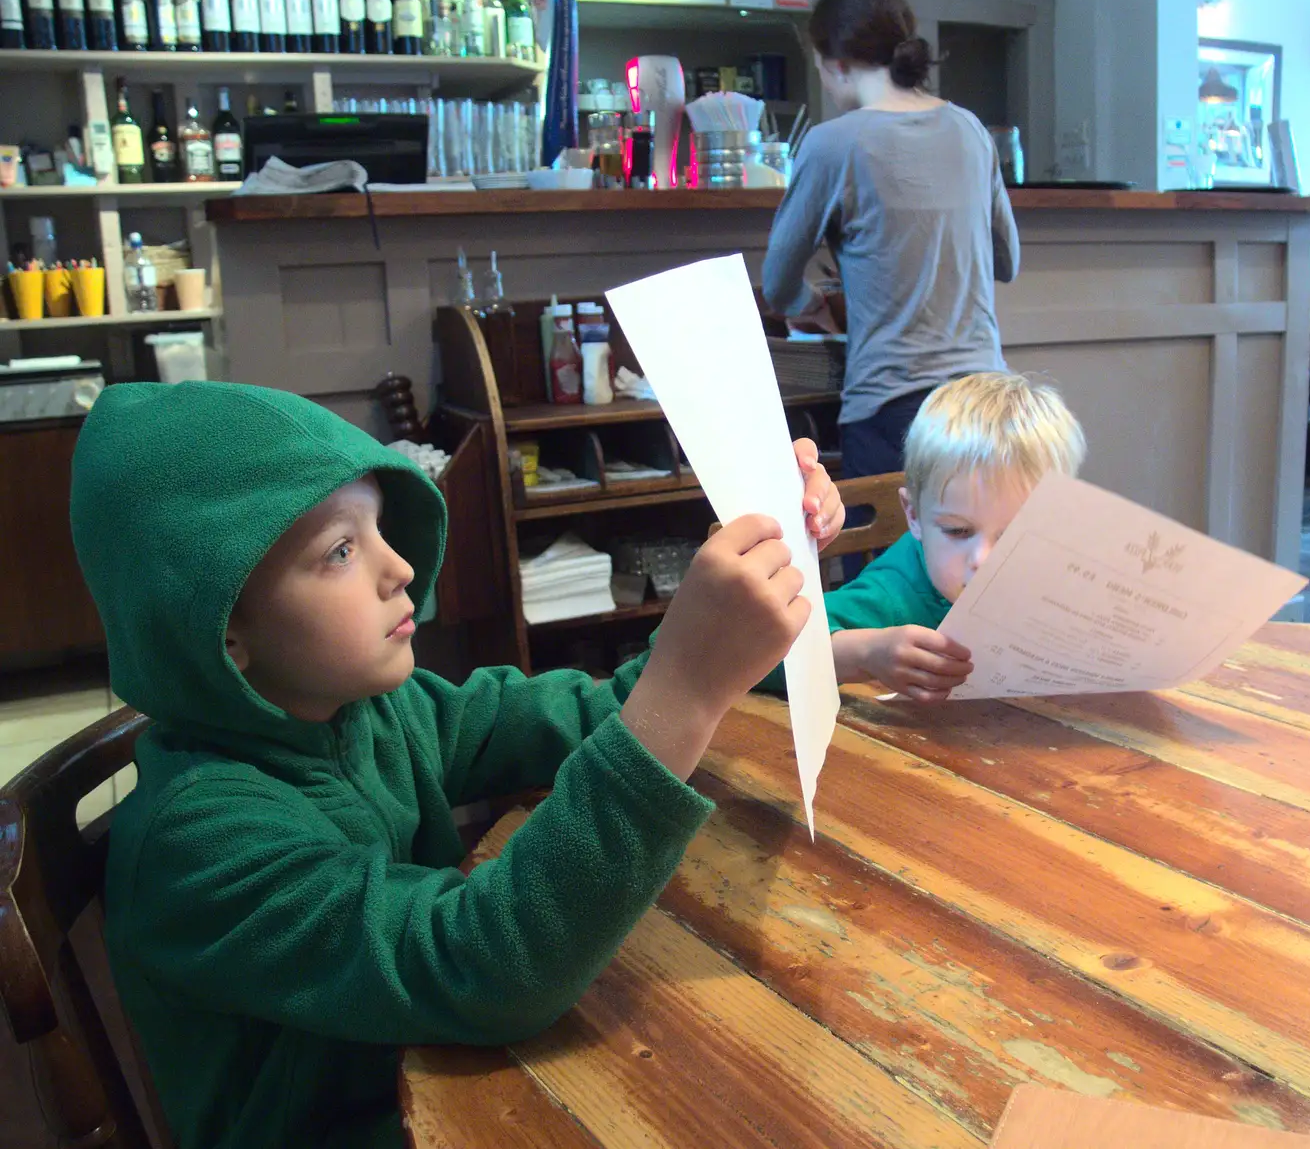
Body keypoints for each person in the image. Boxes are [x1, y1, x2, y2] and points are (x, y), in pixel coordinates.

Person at [69, 380, 844, 1149]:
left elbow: (590, 712)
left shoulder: (365, 710)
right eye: (339, 550)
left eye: (378, 525)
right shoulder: (196, 841)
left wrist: (745, 576)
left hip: (447, 1074)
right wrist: (684, 685)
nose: (399, 565)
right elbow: (482, 962)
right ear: (222, 629)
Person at [761, 0, 1021, 482]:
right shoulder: (970, 129)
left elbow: (777, 282)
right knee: (979, 560)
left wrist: (810, 305)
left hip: (891, 407)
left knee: (889, 562)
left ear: (836, 62)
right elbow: (1008, 261)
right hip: (985, 403)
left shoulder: (832, 143)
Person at [761, 373, 1085, 702]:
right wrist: (864, 654)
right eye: (958, 531)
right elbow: (757, 651)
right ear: (913, 515)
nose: (984, 561)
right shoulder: (892, 593)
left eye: (1016, 537)